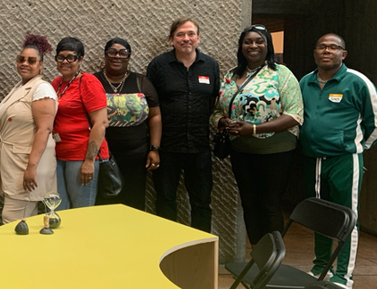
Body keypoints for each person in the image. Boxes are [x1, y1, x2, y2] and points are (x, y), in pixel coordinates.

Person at [299, 33, 377, 289]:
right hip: (313, 159)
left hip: (344, 160)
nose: (327, 51)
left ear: (343, 54)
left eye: (334, 47)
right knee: (319, 215)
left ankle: (342, 276)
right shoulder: (305, 81)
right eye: (322, 47)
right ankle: (320, 267)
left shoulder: (357, 82)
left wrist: (357, 147)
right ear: (315, 52)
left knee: (347, 216)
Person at [210, 25, 303, 245]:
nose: (253, 46)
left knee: (269, 204)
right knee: (249, 204)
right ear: (241, 46)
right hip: (241, 150)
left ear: (268, 45)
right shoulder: (232, 75)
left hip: (275, 150)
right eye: (248, 41)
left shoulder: (282, 74)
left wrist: (253, 129)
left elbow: (295, 115)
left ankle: (273, 263)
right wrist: (222, 122)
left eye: (259, 41)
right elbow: (216, 111)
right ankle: (258, 258)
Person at [146, 17, 220, 233]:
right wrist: (154, 147)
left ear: (198, 38)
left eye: (190, 34)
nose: (186, 38)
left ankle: (200, 253)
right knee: (166, 201)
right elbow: (151, 104)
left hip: (199, 147)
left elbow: (213, 100)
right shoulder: (159, 65)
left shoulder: (211, 65)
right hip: (167, 146)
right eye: (180, 34)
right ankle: (168, 250)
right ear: (171, 40)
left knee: (202, 203)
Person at [0, 34, 58, 223]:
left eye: (31, 61)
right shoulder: (21, 87)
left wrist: (31, 168)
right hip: (14, 163)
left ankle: (15, 254)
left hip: (28, 165)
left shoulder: (42, 89)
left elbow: (44, 129)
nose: (25, 63)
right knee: (20, 220)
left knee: (14, 220)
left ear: (41, 65)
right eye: (21, 59)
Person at [93, 38, 161, 210]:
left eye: (123, 52)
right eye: (112, 52)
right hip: (101, 156)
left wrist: (154, 149)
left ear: (129, 57)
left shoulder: (141, 82)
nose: (117, 56)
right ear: (105, 55)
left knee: (133, 203)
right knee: (103, 204)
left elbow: (155, 116)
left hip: (136, 156)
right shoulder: (93, 82)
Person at [50, 37, 109, 211]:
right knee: (58, 209)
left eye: (71, 57)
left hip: (80, 155)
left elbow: (101, 122)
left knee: (80, 211)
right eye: (61, 57)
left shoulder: (88, 82)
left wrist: (89, 160)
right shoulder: (56, 83)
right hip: (58, 154)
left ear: (80, 59)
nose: (65, 62)